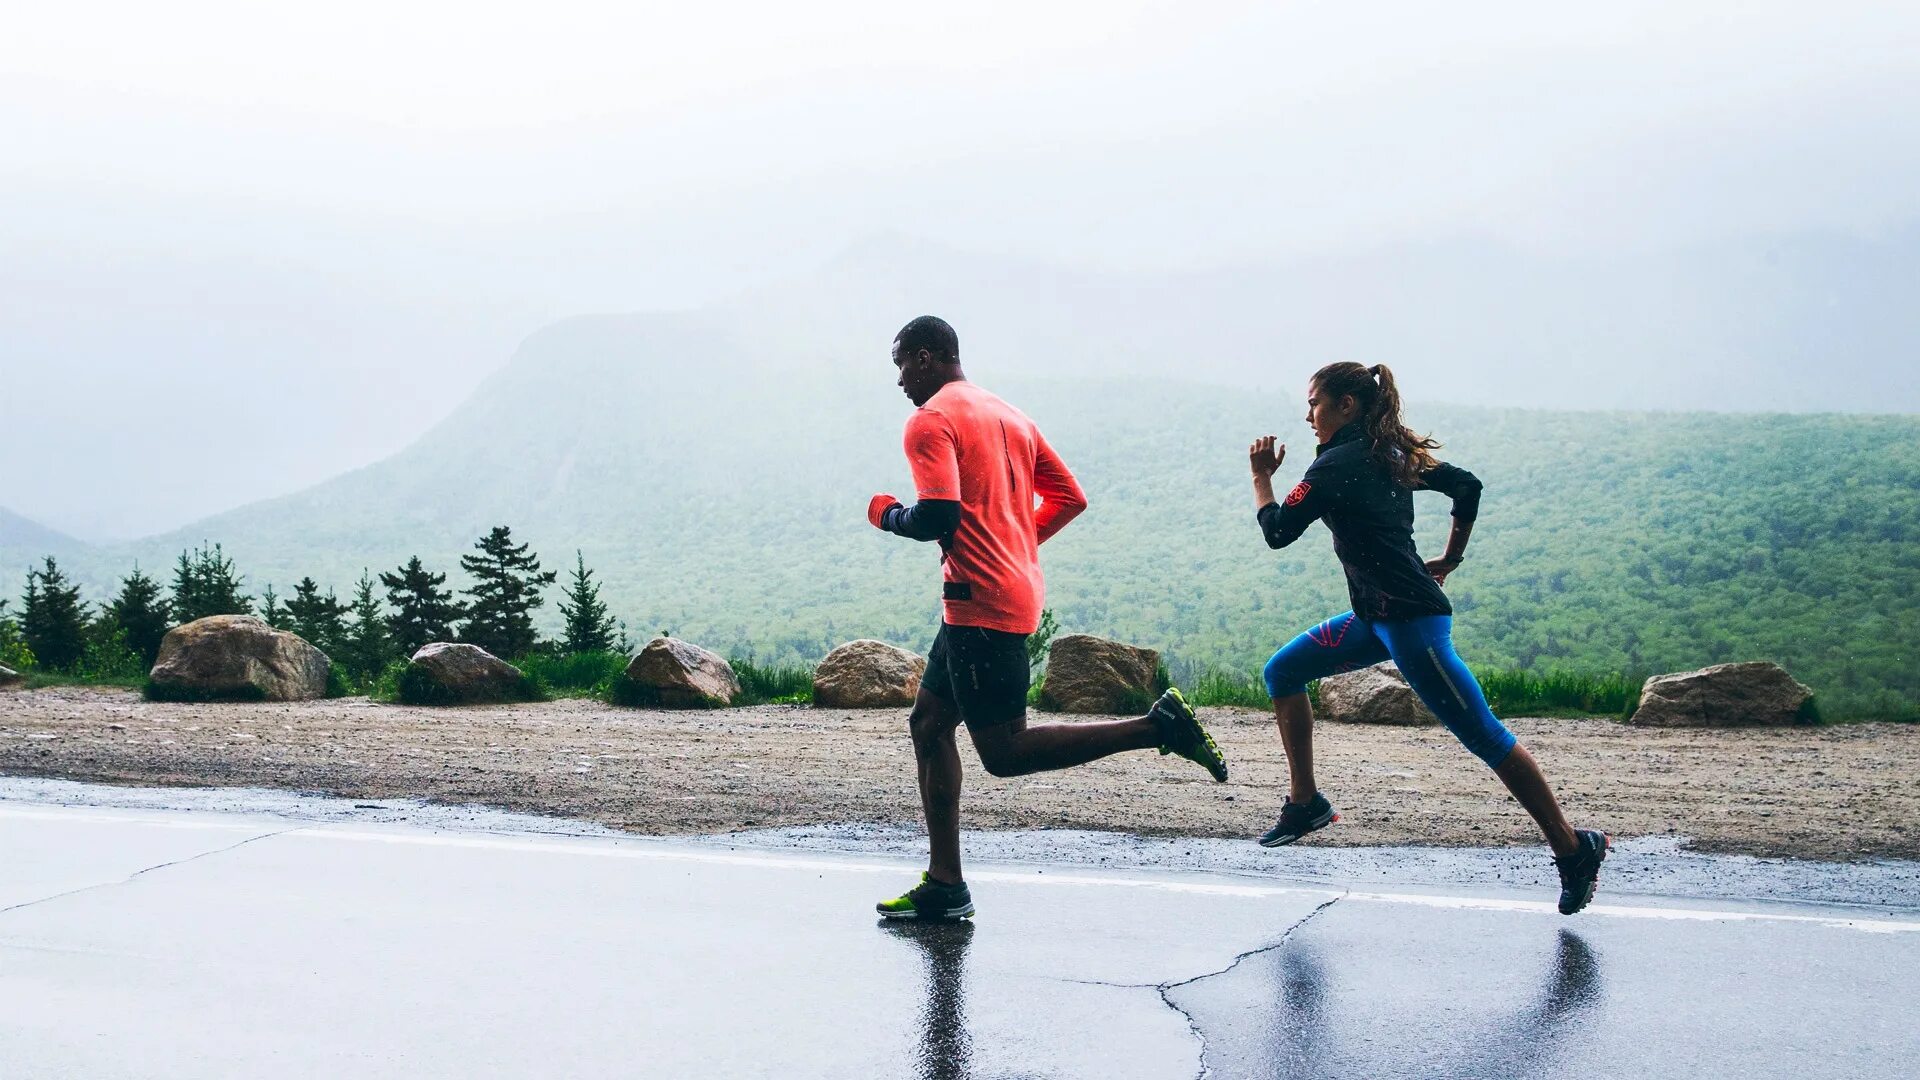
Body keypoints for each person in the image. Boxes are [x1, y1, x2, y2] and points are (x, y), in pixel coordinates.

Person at [868, 315, 1228, 921]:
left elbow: (935, 518)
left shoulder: (930, 421)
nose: (899, 378)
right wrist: (1015, 542)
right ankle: (945, 884)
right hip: (1002, 590)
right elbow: (1069, 497)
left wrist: (885, 514)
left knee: (1004, 752)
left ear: (928, 358)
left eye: (901, 362)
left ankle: (1156, 726)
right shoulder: (1008, 414)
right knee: (930, 723)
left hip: (981, 602)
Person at [1247, 361, 1609, 915]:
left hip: (1413, 624)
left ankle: (1572, 846)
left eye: (1315, 402)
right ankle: (1305, 803)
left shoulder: (1338, 464)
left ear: (1347, 405)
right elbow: (1466, 485)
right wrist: (1451, 558)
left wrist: (1261, 477)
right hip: (1374, 619)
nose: (1308, 415)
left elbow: (1276, 533)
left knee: (1485, 736)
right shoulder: (1390, 454)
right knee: (1283, 672)